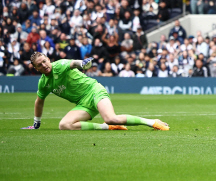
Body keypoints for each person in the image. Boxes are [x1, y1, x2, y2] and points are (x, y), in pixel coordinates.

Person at [24, 53, 170, 131]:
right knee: (64, 125)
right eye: (40, 65)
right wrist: (37, 123)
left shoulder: (60, 65)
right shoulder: (43, 83)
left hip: (94, 91)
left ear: (48, 59)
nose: (44, 65)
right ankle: (106, 127)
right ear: (36, 69)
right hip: (83, 104)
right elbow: (39, 102)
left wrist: (82, 63)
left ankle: (152, 122)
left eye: (44, 61)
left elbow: (74, 63)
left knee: (111, 117)